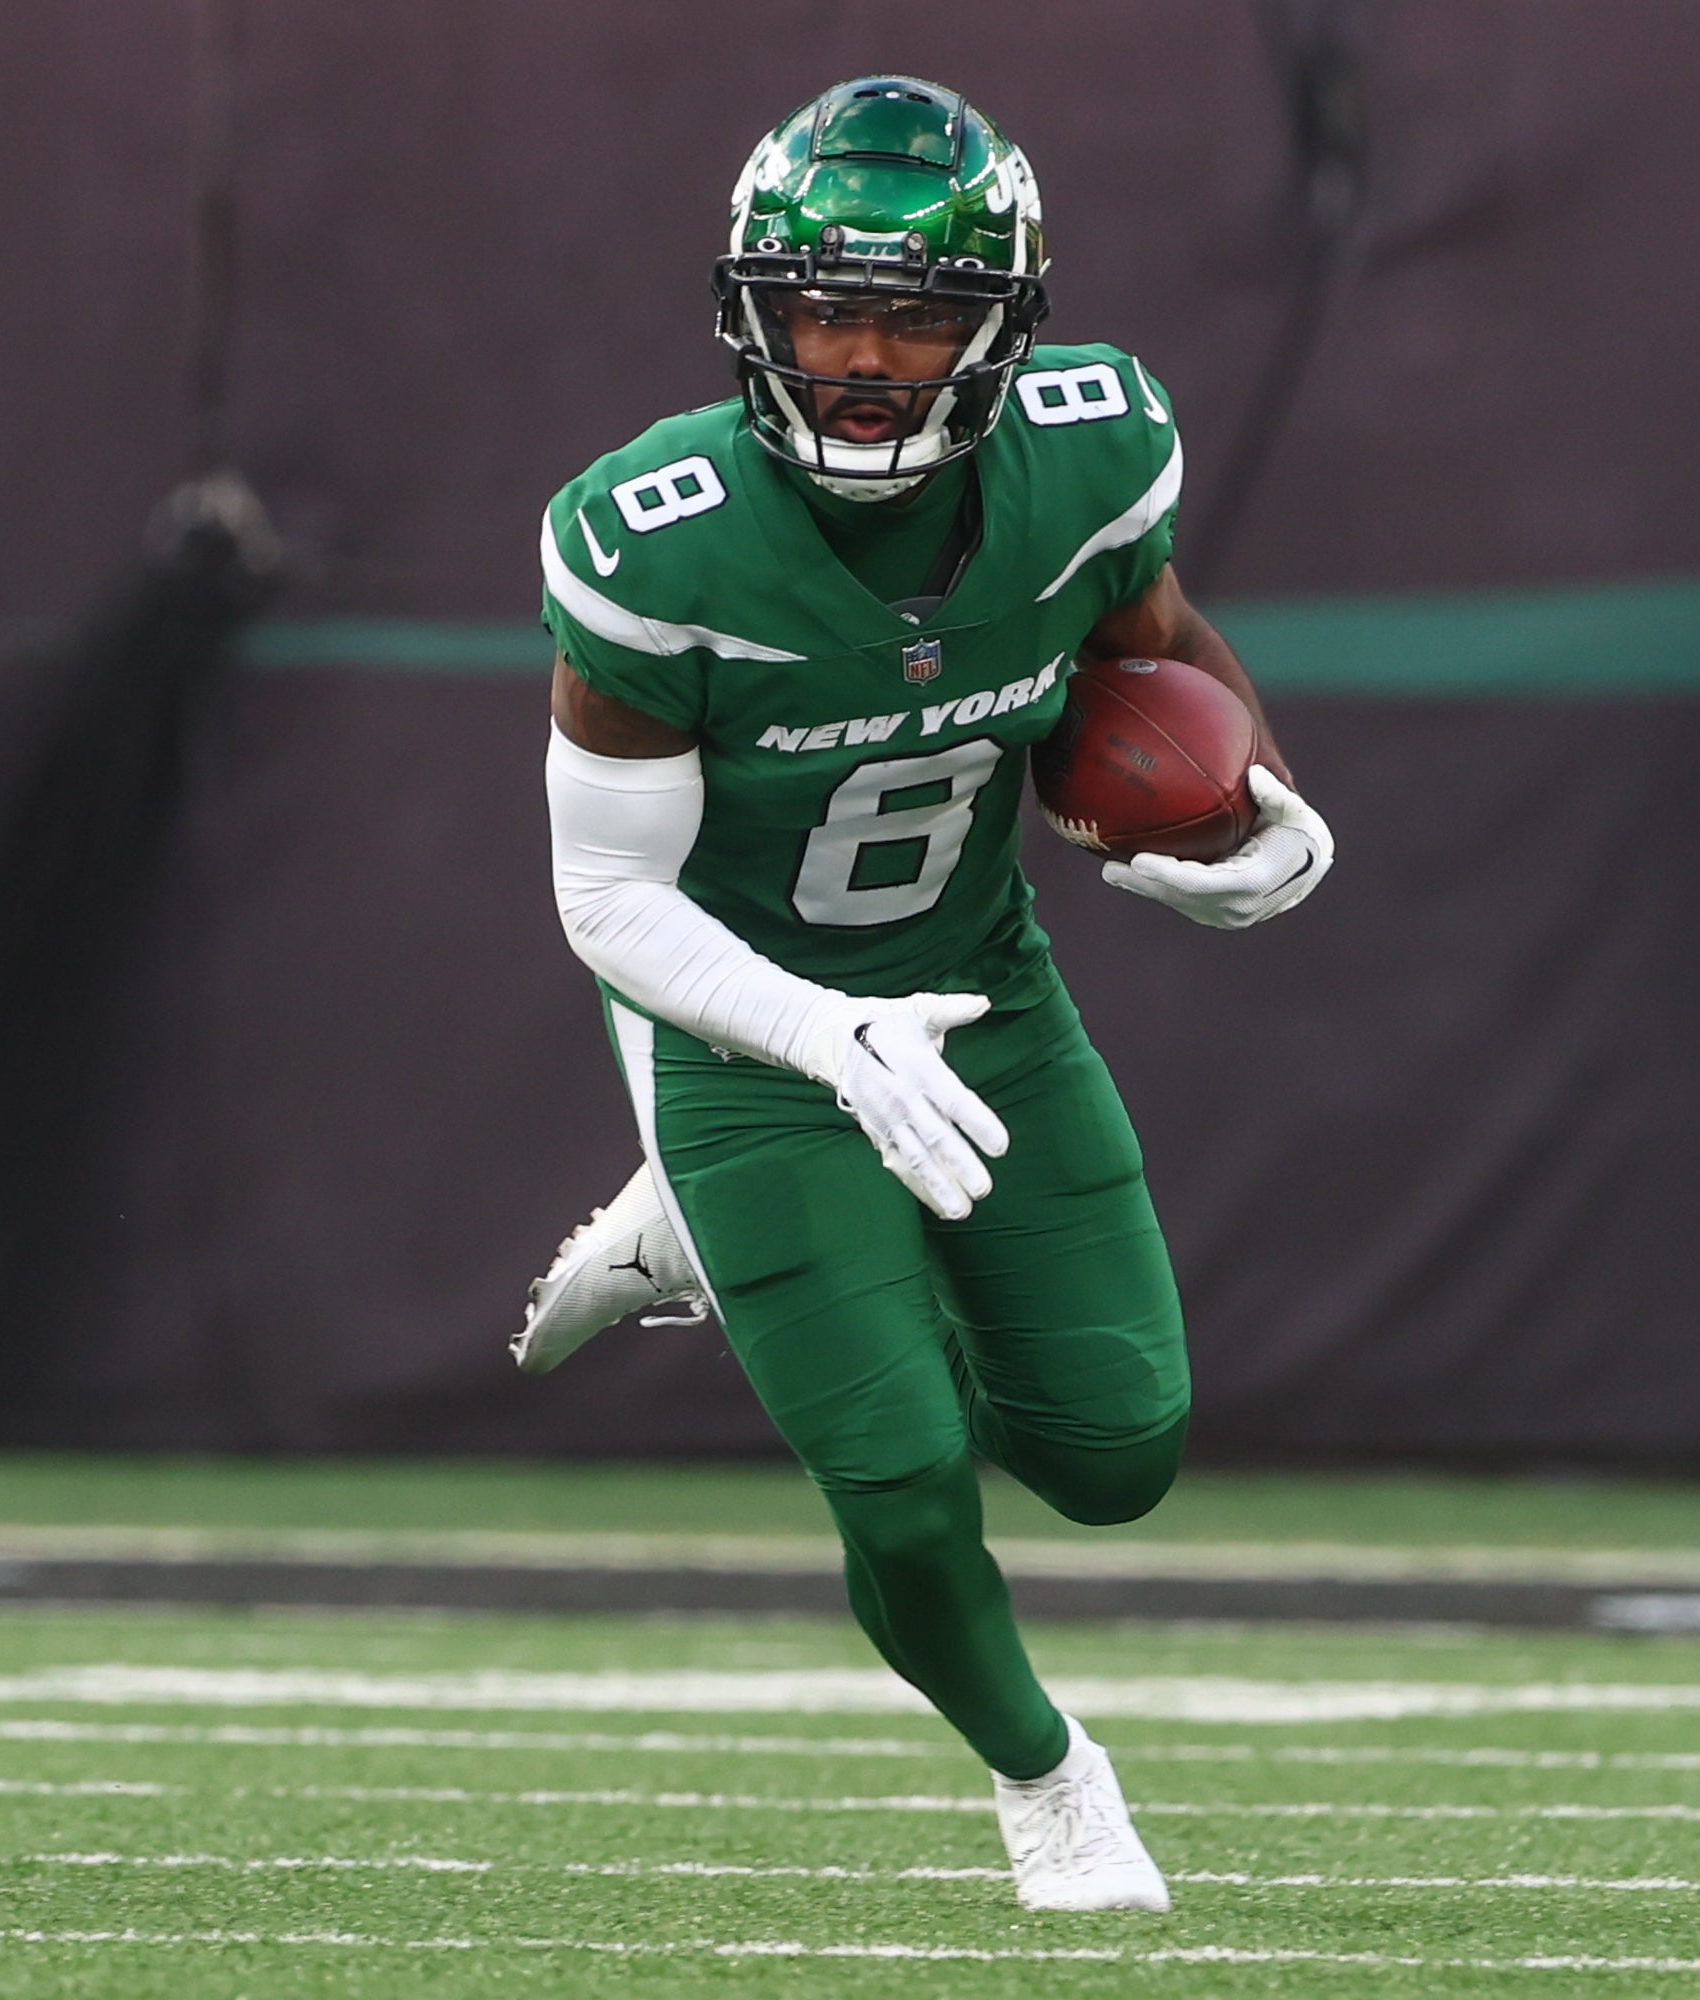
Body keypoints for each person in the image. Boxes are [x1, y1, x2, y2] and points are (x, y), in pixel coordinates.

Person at [511, 77, 1334, 1910]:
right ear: (752, 311)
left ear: (1004, 324)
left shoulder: (1092, 450)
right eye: (824, 311)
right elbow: (606, 891)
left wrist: (1255, 794)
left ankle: (731, 1252)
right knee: (892, 1469)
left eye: (914, 315)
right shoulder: (653, 545)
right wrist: (815, 1034)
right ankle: (1050, 1782)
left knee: (1117, 1454)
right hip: (739, 1020)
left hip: (977, 987)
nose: (865, 359)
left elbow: (1153, 653)